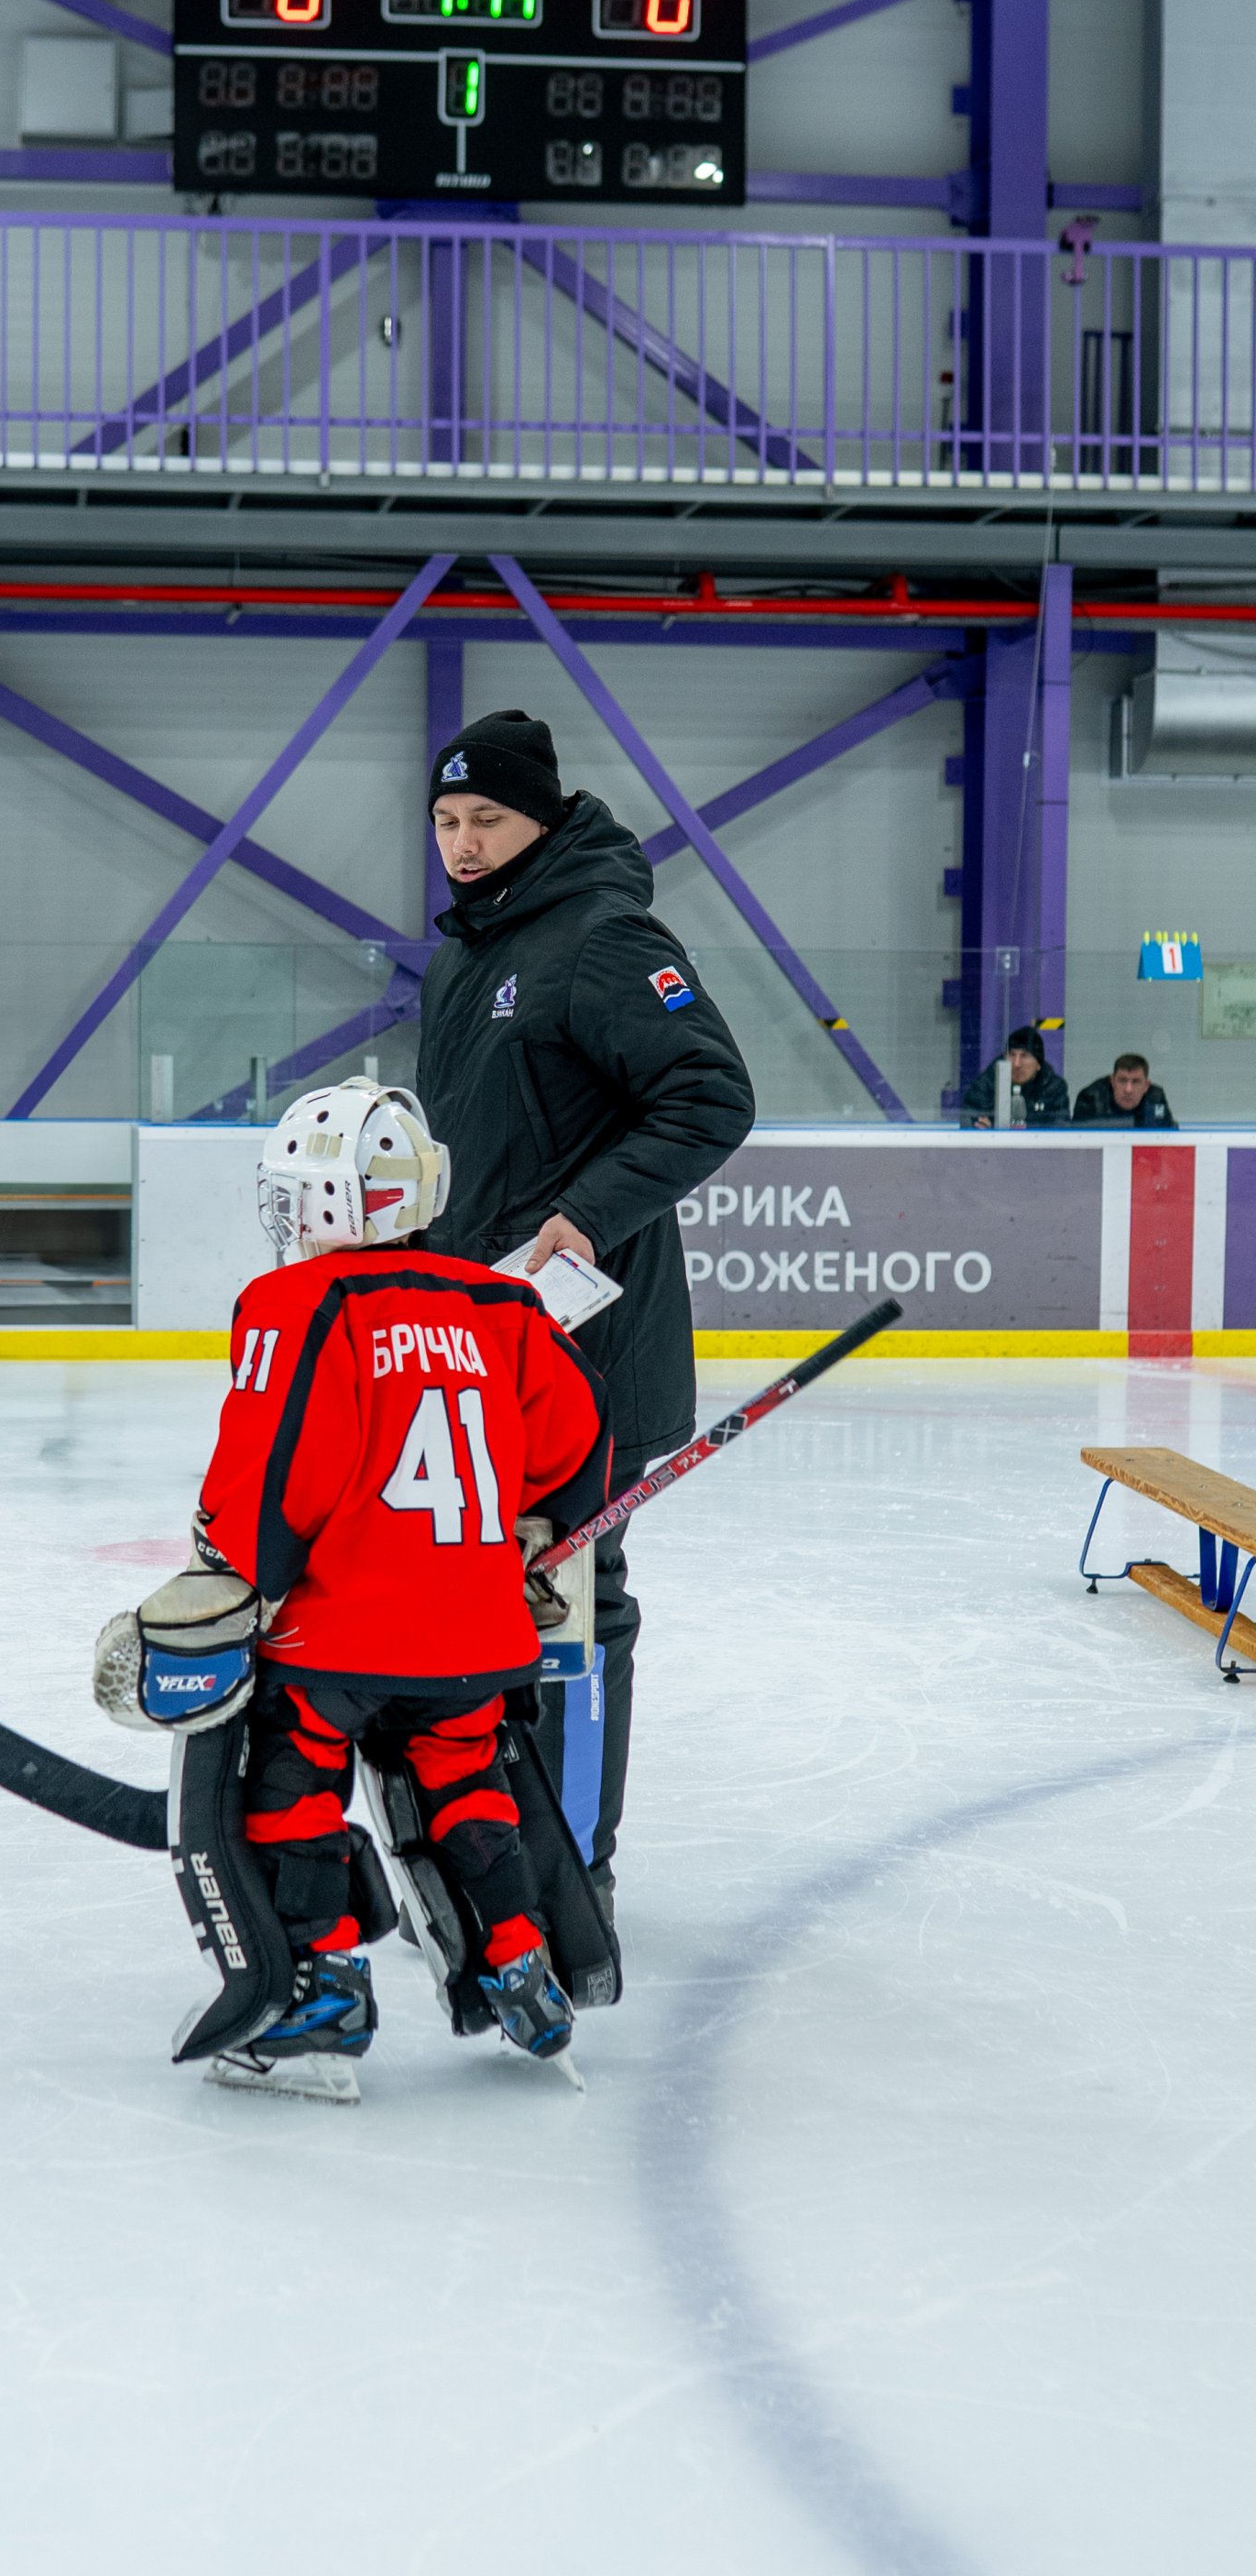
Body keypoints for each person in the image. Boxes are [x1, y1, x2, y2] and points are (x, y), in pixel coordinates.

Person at [124, 1073, 612, 2100]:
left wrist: (234, 1565)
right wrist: (533, 1534)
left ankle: (322, 1995)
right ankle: (523, 1972)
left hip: (340, 1637)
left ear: (331, 1200)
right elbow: (578, 1442)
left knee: (293, 1780)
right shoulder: (504, 1303)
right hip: (476, 1635)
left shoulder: (298, 1300)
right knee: (466, 1778)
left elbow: (279, 1466)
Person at [414, 709, 754, 1910]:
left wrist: (588, 1214)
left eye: (486, 818)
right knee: (478, 1606)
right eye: (445, 820)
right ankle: (490, 1863)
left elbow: (710, 1094)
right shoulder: (465, 951)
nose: (462, 842)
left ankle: (571, 1886)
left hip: (589, 1353)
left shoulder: (601, 934)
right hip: (477, 1346)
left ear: (543, 819)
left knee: (569, 1607)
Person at [959, 1023, 1071, 1127]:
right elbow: (969, 1120)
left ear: (1038, 1064)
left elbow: (1061, 1127)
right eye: (1012, 1055)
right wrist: (983, 1128)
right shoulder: (985, 1084)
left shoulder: (1053, 1088)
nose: (1016, 1064)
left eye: (1024, 1056)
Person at [1071, 1053, 1178, 1129]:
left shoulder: (1155, 1098)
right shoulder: (1091, 1097)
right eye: (1122, 1081)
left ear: (1146, 1086)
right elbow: (1078, 1138)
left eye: (1136, 1082)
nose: (1128, 1090)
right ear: (1112, 1082)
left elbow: (1166, 1131)